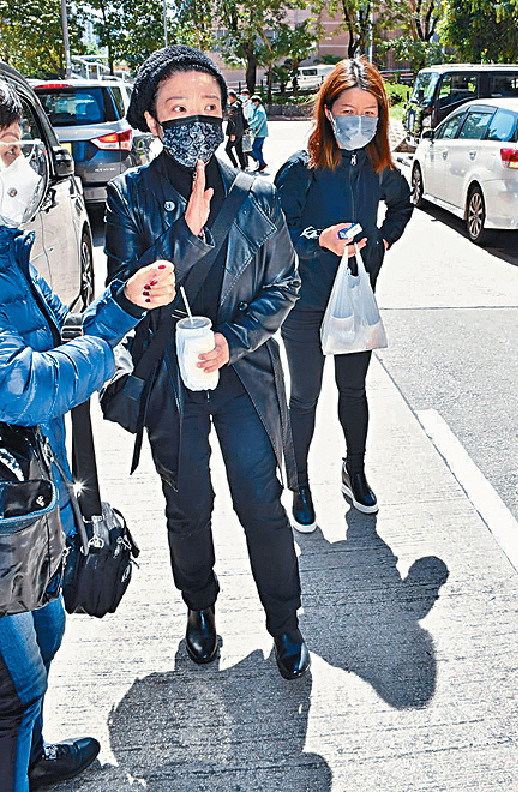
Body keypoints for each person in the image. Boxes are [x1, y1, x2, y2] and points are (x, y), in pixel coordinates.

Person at [105, 44, 310, 680]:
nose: (197, 119)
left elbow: (285, 284)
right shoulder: (129, 195)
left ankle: (286, 622)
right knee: (188, 507)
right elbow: (122, 292)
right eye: (178, 107)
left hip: (242, 378)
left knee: (261, 501)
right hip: (171, 382)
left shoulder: (255, 194)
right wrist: (182, 240)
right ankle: (200, 611)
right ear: (151, 120)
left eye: (210, 107)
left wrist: (234, 341)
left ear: (227, 116)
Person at [0, 79, 176, 792]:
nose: (14, 166)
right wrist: (109, 353)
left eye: (14, 147)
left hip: (25, 500)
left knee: (45, 633)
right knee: (14, 685)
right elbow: (19, 383)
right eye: (1, 150)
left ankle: (31, 760)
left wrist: (117, 311)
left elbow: (44, 343)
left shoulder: (7, 245)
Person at [275, 57, 413, 533]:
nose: (359, 120)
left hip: (356, 296)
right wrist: (319, 240)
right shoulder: (301, 168)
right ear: (328, 110)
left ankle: (354, 472)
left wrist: (384, 239)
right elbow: (278, 232)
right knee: (305, 396)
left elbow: (402, 202)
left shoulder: (379, 165)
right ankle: (300, 484)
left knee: (353, 390)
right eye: (349, 109)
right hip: (306, 300)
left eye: (369, 111)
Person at [225, 89, 247, 170]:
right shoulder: (238, 105)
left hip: (235, 133)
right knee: (239, 149)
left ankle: (235, 164)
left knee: (228, 149)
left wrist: (232, 133)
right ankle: (243, 165)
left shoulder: (234, 107)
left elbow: (234, 122)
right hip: (240, 132)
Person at [248, 94, 268, 173]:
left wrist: (249, 125)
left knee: (255, 148)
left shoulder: (260, 110)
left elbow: (257, 121)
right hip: (259, 133)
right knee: (259, 149)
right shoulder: (258, 109)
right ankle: (261, 165)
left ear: (257, 102)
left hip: (260, 133)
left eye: (253, 102)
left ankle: (262, 163)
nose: (252, 104)